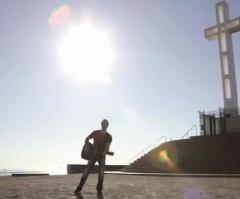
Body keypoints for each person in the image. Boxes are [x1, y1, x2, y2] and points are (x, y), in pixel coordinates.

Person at [74, 119, 112, 196]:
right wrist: (87, 146)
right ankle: (79, 187)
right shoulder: (95, 132)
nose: (104, 125)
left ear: (107, 126)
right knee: (87, 170)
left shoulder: (109, 136)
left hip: (102, 156)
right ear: (101, 124)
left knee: (101, 172)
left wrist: (104, 151)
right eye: (103, 124)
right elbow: (87, 138)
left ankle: (99, 189)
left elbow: (107, 147)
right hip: (93, 155)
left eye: (105, 124)